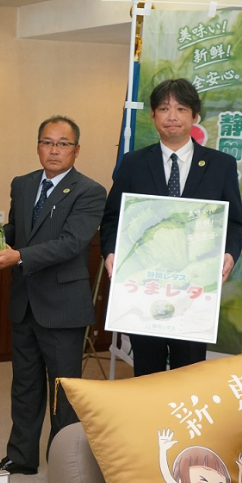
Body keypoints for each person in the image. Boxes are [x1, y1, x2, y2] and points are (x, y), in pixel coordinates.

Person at [0, 115, 105, 476]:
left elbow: (71, 243)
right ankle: (21, 456)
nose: (54, 150)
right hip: (25, 301)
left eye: (63, 144)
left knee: (64, 392)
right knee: (25, 384)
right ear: (37, 147)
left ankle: (65, 467)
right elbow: (17, 230)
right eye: (47, 142)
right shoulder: (23, 183)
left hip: (63, 306)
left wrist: (19, 256)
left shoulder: (90, 191)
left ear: (76, 150)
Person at [101, 78, 242, 377]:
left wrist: (230, 253)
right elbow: (113, 216)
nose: (172, 116)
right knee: (147, 371)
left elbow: (234, 220)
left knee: (188, 372)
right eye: (164, 109)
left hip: (195, 286)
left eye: (181, 108)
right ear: (153, 116)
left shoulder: (221, 165)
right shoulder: (133, 163)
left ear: (195, 116)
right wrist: (111, 252)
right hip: (146, 285)